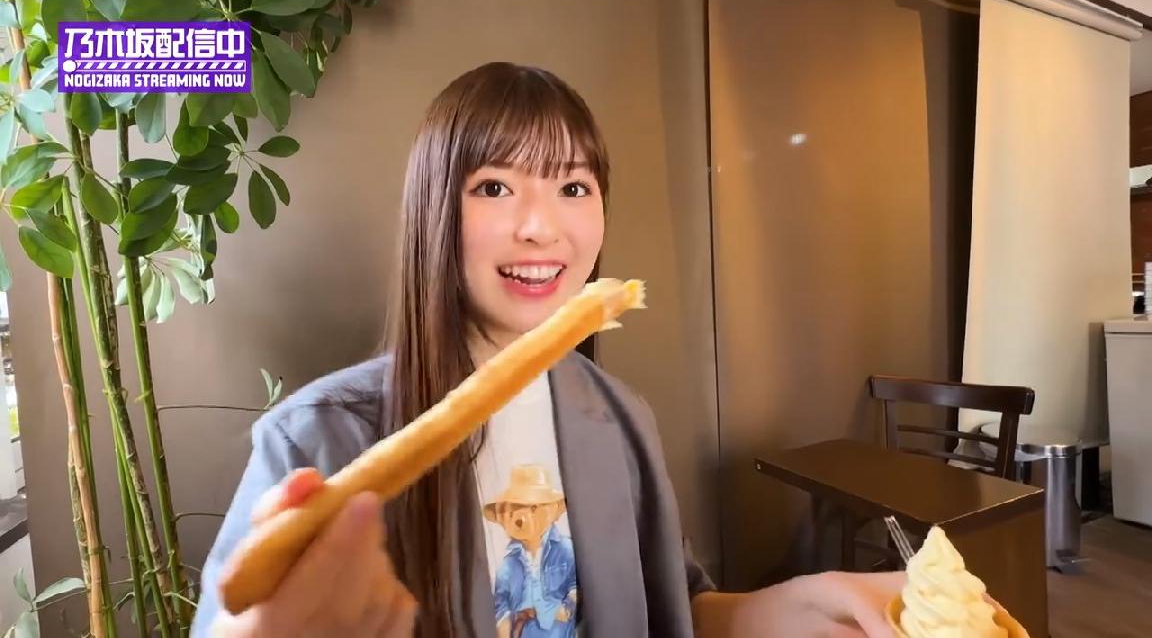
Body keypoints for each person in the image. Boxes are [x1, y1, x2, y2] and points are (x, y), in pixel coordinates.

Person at [191, 61, 905, 638]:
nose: (541, 227)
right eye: (494, 186)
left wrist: (807, 605)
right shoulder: (319, 439)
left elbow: (675, 607)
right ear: (433, 211)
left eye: (573, 185)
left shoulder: (619, 418)